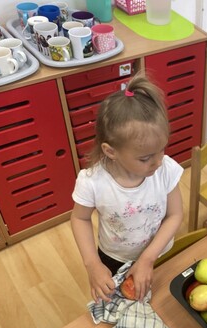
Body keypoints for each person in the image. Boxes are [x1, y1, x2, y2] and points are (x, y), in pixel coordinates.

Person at [71, 74, 184, 303]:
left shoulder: (165, 170)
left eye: (162, 149)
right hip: (114, 257)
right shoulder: (92, 181)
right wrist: (92, 264)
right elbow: (79, 219)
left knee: (163, 303)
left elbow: (175, 215)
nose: (158, 161)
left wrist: (148, 259)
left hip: (159, 252)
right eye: (145, 158)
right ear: (111, 151)